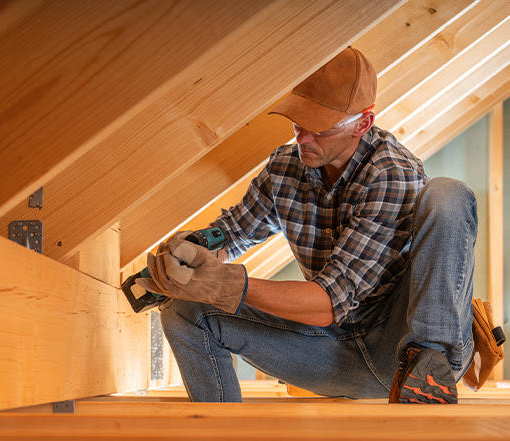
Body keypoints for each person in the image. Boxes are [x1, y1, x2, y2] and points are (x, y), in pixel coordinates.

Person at [137, 47, 476, 404]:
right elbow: (233, 232)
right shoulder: (285, 168)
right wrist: (191, 252)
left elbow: (329, 300)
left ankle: (429, 356)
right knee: (184, 313)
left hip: (398, 346)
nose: (303, 139)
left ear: (362, 123)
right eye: (299, 124)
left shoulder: (391, 173)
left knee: (447, 195)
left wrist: (228, 285)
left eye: (320, 129)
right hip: (335, 351)